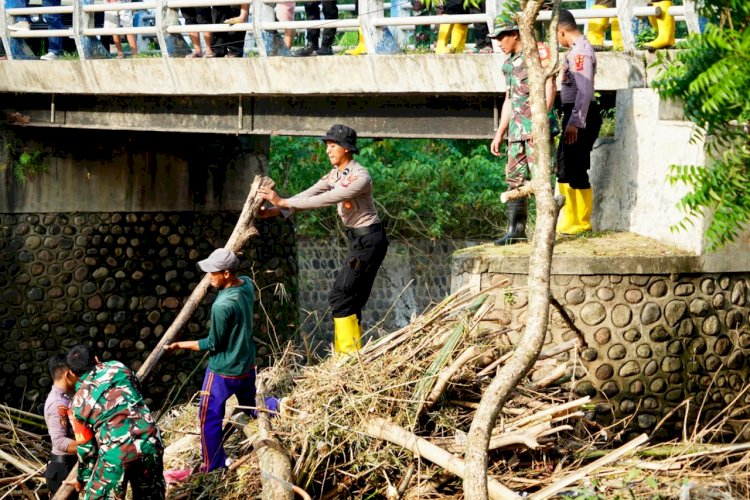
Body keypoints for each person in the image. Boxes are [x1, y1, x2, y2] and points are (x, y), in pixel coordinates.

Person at [258, 124, 388, 355]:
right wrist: (275, 210)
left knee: (341, 295)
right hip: (358, 241)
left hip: (370, 241)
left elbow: (328, 198)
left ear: (346, 149)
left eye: (332, 146)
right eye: (327, 146)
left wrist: (283, 202)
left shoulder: (360, 177)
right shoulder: (335, 175)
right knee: (351, 298)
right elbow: (310, 193)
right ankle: (351, 356)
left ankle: (346, 357)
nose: (328, 151)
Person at [164, 248, 264, 472]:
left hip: (223, 371)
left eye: (213, 273)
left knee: (208, 417)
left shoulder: (221, 306)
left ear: (227, 273)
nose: (209, 277)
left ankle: (214, 463)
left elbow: (212, 344)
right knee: (250, 403)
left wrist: (180, 345)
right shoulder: (246, 284)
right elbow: (242, 279)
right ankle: (277, 405)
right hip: (246, 365)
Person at [64, 345, 165, 499]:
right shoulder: (118, 367)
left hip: (116, 453)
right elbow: (136, 389)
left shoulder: (76, 405)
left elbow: (87, 449)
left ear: (72, 373)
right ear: (97, 359)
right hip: (150, 440)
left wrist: (82, 479)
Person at [489, 21, 557, 245]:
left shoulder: (538, 52)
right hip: (517, 131)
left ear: (515, 34)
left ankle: (544, 232)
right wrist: (500, 132)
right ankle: (516, 231)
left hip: (535, 129)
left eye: (502, 38)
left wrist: (541, 123)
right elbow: (510, 99)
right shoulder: (508, 64)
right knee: (514, 180)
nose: (499, 43)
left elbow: (550, 87)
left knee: (541, 179)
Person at [556, 9, 602, 234]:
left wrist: (575, 121)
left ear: (561, 31)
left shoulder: (580, 53)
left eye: (556, 35)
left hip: (580, 115)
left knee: (577, 167)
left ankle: (582, 223)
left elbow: (584, 91)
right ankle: (568, 219)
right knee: (564, 166)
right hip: (572, 113)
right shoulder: (575, 51)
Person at [43, 354, 77, 499]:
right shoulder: (58, 403)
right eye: (76, 372)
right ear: (68, 374)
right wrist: (94, 446)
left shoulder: (66, 397)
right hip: (63, 470)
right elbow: (60, 441)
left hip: (69, 466)